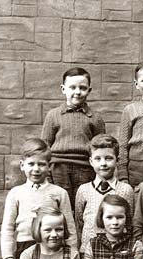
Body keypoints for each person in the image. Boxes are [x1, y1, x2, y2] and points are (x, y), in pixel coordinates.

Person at [1, 139, 78, 259]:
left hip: (54, 247)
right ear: (22, 165)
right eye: (31, 164)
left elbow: (69, 226)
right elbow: (8, 227)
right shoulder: (16, 193)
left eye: (42, 164)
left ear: (49, 167)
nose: (36, 169)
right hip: (25, 247)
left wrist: (73, 252)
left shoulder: (59, 193)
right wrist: (8, 255)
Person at [41, 67, 106, 207]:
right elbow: (44, 147)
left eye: (82, 88)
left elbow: (102, 149)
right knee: (59, 205)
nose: (77, 92)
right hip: (58, 168)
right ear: (63, 89)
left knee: (82, 206)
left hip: (85, 169)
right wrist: (46, 174)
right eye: (72, 87)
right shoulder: (53, 115)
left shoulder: (96, 118)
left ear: (89, 90)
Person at [74, 134, 134, 255]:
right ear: (91, 161)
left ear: (117, 160)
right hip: (87, 251)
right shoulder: (83, 190)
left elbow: (129, 222)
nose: (103, 163)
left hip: (116, 251)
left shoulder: (126, 190)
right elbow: (79, 222)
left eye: (108, 158)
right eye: (98, 159)